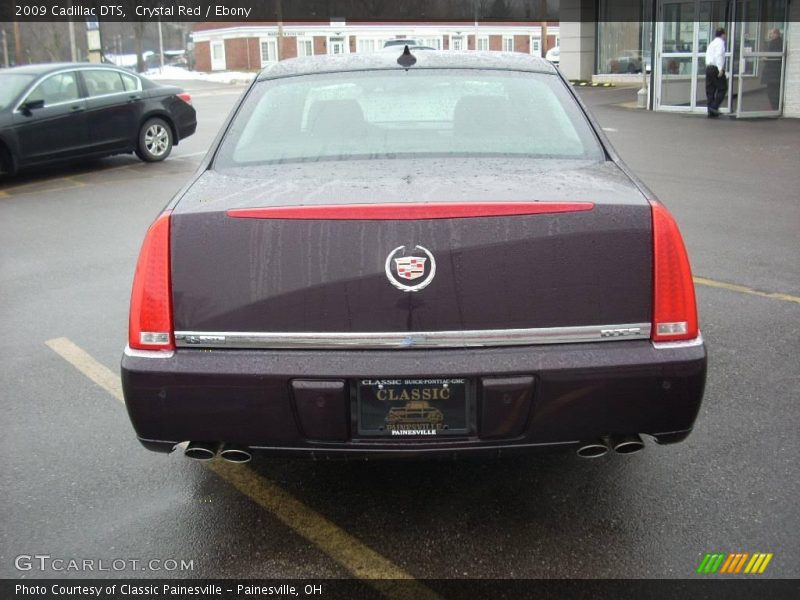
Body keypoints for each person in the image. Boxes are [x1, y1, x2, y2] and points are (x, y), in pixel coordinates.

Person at [705, 28, 727, 117]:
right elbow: (719, 55)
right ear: (723, 34)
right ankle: (714, 107)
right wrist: (720, 68)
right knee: (723, 88)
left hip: (708, 68)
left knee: (710, 90)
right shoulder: (720, 43)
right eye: (725, 35)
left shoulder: (712, 43)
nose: (725, 36)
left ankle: (710, 111)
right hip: (715, 68)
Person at [762, 28, 783, 110]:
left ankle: (775, 108)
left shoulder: (775, 43)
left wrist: (766, 57)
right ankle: (775, 108)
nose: (769, 35)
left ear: (776, 34)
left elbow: (772, 55)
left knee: (772, 91)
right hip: (775, 73)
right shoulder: (779, 42)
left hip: (773, 72)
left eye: (771, 33)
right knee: (774, 90)